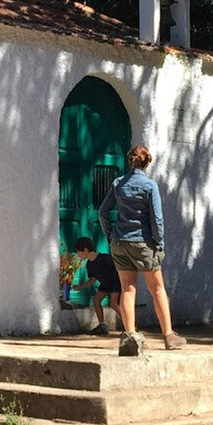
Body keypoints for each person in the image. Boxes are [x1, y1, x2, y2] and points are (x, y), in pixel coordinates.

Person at [98, 144, 186, 353]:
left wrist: (110, 235)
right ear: (147, 163)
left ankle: (130, 337)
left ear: (130, 161)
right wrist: (159, 242)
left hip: (120, 243)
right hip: (143, 242)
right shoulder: (149, 186)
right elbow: (156, 218)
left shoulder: (118, 183)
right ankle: (169, 336)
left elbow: (103, 212)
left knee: (127, 289)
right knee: (157, 289)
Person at [72, 237, 122, 336]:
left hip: (115, 282)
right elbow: (92, 280)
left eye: (79, 252)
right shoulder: (89, 265)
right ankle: (102, 325)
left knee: (113, 304)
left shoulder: (105, 258)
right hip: (105, 284)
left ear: (85, 250)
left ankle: (131, 326)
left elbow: (117, 269)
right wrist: (80, 287)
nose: (78, 254)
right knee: (96, 301)